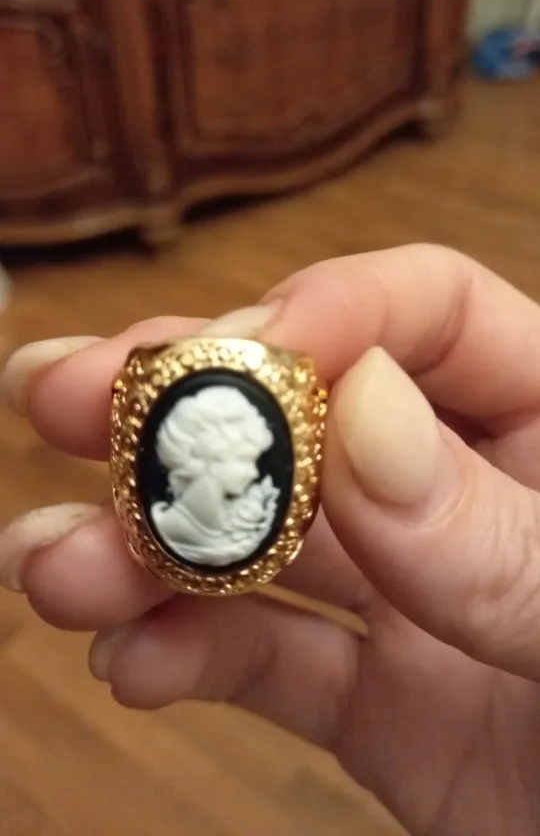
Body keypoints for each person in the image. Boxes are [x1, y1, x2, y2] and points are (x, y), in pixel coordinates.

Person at [1, 242, 540, 836]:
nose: (258, 469)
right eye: (247, 454)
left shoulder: (244, 514)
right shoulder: (184, 524)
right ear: (204, 457)